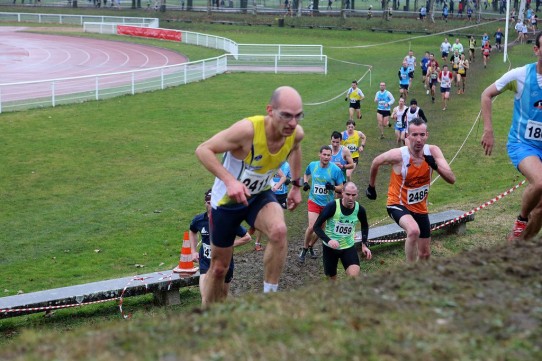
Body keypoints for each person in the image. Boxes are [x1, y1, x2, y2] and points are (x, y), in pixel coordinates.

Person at [195, 86, 304, 304]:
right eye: (286, 116)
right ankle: (208, 315)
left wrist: (295, 186)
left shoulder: (295, 134)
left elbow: (295, 150)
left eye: (297, 116)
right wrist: (229, 181)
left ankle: (269, 300)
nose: (292, 123)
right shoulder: (247, 131)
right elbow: (203, 150)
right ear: (270, 110)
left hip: (257, 196)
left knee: (279, 230)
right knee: (218, 269)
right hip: (226, 202)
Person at [366, 117, 456, 262]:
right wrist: (371, 187)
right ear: (408, 136)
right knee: (413, 231)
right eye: (414, 135)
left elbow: (451, 179)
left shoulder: (433, 151)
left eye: (422, 134)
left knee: (425, 254)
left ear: (427, 135)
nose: (419, 139)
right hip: (397, 203)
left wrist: (435, 166)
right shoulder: (399, 155)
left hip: (420, 207)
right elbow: (376, 161)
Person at [481, 31, 542, 242]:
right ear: (536, 50)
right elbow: (486, 94)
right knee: (540, 183)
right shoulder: (521, 75)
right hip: (523, 144)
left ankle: (518, 245)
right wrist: (488, 130)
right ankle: (521, 220)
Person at [190, 189, 252, 304]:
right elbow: (192, 230)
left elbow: (247, 237)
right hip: (206, 262)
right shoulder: (199, 220)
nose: (209, 205)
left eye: (212, 202)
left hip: (224, 263)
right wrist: (193, 251)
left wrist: (227, 244)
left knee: (222, 298)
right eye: (208, 202)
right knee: (206, 296)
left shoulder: (228, 220)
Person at [312, 181, 372, 280]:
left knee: (354, 277)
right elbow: (316, 227)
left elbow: (364, 225)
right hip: (330, 248)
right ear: (342, 192)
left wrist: (364, 244)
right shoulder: (332, 206)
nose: (351, 198)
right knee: (332, 281)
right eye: (348, 194)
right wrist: (329, 240)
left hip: (348, 247)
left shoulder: (360, 209)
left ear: (357, 194)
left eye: (353, 195)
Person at [300, 145, 345, 263]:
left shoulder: (335, 170)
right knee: (311, 226)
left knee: (320, 230)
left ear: (331, 156)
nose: (326, 157)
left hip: (327, 204)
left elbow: (342, 187)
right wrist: (305, 182)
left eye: (328, 155)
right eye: (324, 154)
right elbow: (306, 173)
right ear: (319, 154)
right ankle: (304, 249)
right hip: (313, 201)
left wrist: (333, 187)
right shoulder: (313, 165)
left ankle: (310, 246)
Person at [253, 161, 292, 251]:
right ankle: (257, 243)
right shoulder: (272, 163)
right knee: (265, 219)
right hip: (269, 194)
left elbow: (290, 178)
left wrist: (288, 181)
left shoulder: (287, 165)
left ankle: (277, 241)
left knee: (280, 220)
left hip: (282, 195)